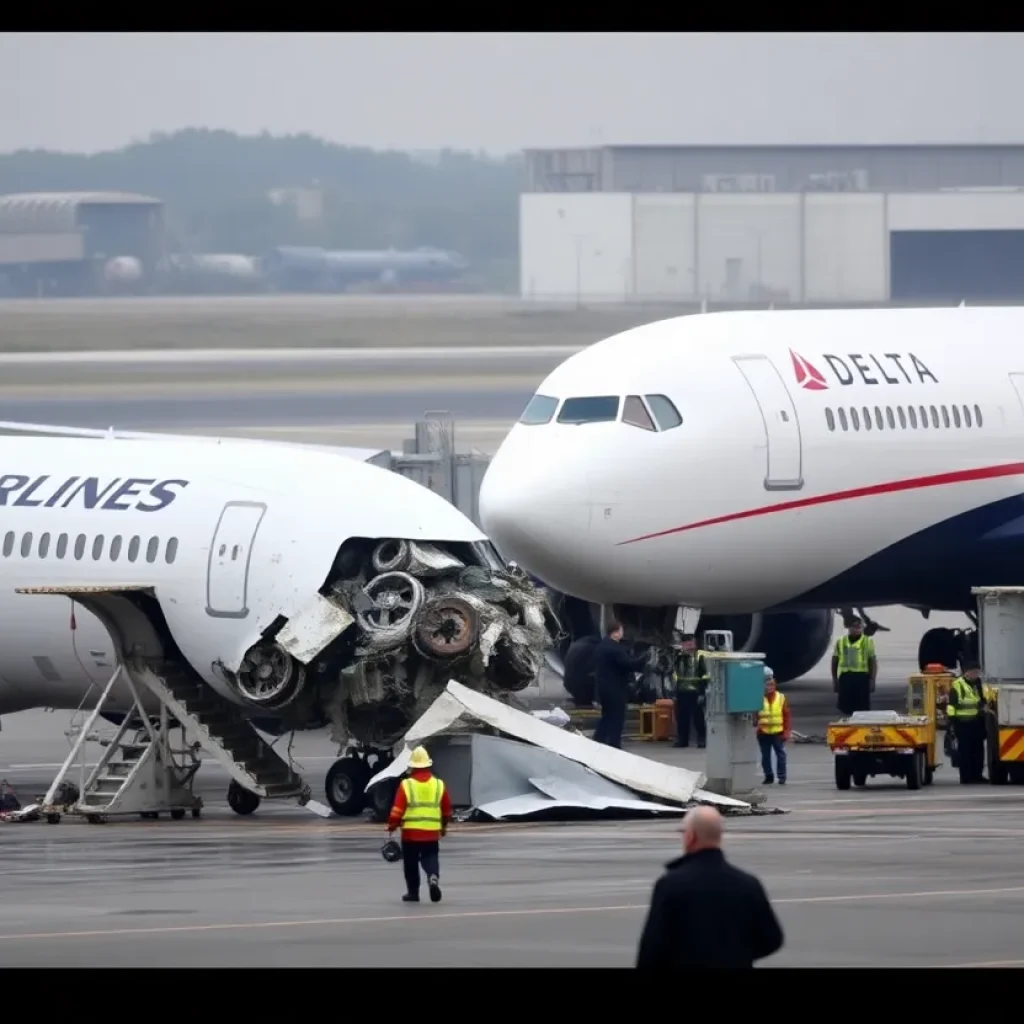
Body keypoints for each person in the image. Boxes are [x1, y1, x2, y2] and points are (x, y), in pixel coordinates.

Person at [635, 805, 784, 969]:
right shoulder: (748, 883)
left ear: (690, 837)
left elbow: (652, 948)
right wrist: (737, 955)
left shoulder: (670, 884)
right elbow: (772, 939)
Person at [386, 745, 452, 903]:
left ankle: (413, 893)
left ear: (412, 766)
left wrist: (391, 826)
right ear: (428, 765)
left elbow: (397, 810)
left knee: (411, 864)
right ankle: (433, 877)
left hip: (411, 833)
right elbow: (447, 810)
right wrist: (443, 827)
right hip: (431, 832)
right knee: (431, 857)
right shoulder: (439, 784)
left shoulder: (406, 785)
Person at [592, 620, 648, 749]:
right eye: (621, 631)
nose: (622, 634)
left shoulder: (601, 646)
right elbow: (628, 664)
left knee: (607, 715)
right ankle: (614, 743)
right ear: (615, 633)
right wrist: (644, 658)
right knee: (617, 716)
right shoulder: (614, 648)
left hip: (603, 687)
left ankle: (598, 739)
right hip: (615, 688)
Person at [947, 661, 987, 784]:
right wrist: (952, 723)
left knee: (978, 751)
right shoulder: (958, 685)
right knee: (965, 752)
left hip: (976, 722)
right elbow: (952, 706)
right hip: (962, 723)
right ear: (967, 673)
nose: (976, 675)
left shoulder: (978, 684)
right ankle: (966, 777)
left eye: (978, 672)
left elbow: (981, 699)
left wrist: (983, 706)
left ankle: (977, 775)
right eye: (974, 672)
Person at [832, 615, 877, 716]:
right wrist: (835, 679)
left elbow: (872, 662)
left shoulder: (867, 642)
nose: (857, 629)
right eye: (854, 627)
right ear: (849, 628)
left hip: (861, 678)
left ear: (862, 629)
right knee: (845, 707)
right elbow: (835, 661)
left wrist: (872, 680)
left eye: (859, 627)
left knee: (862, 707)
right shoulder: (841, 641)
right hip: (846, 677)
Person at [672, 633, 709, 749]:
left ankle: (702, 739)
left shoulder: (699, 656)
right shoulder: (678, 656)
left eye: (692, 642)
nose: (690, 645)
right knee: (682, 717)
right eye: (687, 643)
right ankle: (683, 740)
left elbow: (705, 676)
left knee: (698, 717)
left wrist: (702, 692)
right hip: (681, 691)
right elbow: (673, 672)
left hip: (695, 691)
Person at [756, 666, 791, 785]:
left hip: (777, 733)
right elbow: (754, 715)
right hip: (764, 733)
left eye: (771, 684)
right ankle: (769, 776)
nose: (769, 687)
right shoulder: (758, 698)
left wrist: (786, 732)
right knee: (765, 757)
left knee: (781, 755)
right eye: (767, 684)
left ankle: (782, 777)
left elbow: (786, 716)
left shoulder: (781, 698)